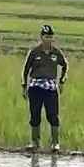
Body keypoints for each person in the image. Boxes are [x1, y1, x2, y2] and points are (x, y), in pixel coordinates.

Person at [20, 23, 68, 153]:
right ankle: (35, 143)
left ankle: (55, 143)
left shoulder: (56, 53)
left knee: (52, 115)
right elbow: (25, 70)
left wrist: (62, 81)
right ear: (42, 38)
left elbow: (64, 66)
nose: (48, 39)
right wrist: (24, 87)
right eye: (46, 36)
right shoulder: (34, 52)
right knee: (35, 115)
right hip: (35, 87)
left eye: (51, 37)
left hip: (50, 87)